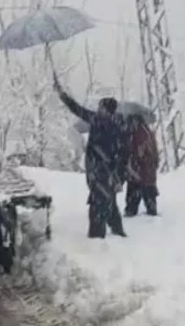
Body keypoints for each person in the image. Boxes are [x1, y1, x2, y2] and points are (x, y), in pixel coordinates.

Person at [53, 76, 128, 239]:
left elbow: (77, 109)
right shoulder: (110, 122)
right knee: (110, 203)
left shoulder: (104, 123)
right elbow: (78, 109)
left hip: (101, 172)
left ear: (107, 110)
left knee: (97, 206)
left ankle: (96, 238)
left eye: (101, 107)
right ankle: (118, 231)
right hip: (105, 173)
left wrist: (62, 95)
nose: (98, 109)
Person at [124, 113, 159, 217]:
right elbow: (154, 151)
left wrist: (131, 165)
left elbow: (137, 152)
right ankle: (151, 210)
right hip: (149, 169)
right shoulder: (148, 131)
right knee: (149, 192)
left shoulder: (137, 133)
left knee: (134, 193)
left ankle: (131, 212)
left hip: (139, 170)